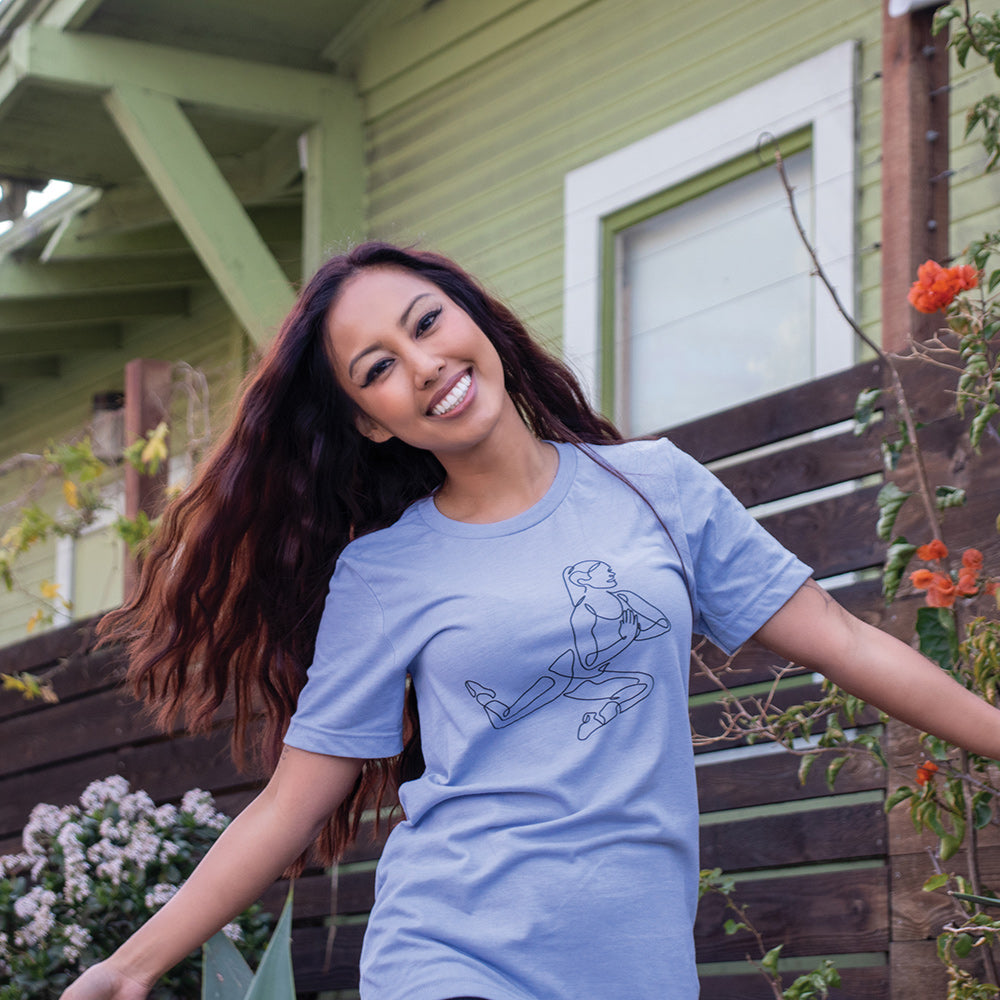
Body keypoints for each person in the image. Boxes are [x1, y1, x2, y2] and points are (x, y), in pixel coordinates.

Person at [60, 242, 1000, 1000]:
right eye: (379, 368)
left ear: (477, 322)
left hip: (635, 962)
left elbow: (843, 641)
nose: (424, 365)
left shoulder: (657, 487)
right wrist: (133, 963)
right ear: (374, 423)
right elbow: (291, 802)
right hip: (452, 948)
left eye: (428, 323)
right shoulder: (385, 572)